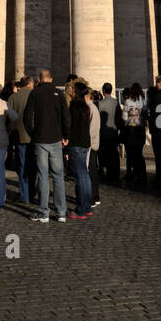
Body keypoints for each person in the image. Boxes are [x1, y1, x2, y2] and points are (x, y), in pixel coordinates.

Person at [24, 68, 70, 223]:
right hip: (56, 139)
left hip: (40, 139)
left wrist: (33, 133)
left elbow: (27, 117)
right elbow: (66, 117)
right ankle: (61, 212)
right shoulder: (59, 94)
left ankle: (44, 212)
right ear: (51, 79)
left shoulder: (35, 93)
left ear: (40, 79)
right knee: (58, 176)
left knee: (43, 176)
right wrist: (66, 136)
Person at [67, 82, 95, 219]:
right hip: (85, 143)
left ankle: (81, 209)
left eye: (72, 88)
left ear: (76, 91)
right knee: (85, 175)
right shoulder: (86, 107)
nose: (70, 90)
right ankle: (87, 206)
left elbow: (70, 126)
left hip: (76, 143)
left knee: (79, 177)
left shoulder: (74, 106)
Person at [7, 75, 37, 203]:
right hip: (34, 136)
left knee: (22, 166)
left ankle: (24, 195)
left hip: (19, 136)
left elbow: (9, 117)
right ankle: (32, 193)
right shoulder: (36, 95)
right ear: (30, 83)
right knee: (33, 166)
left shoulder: (13, 97)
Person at [120, 84, 147, 185]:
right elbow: (145, 115)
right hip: (140, 129)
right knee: (139, 153)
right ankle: (142, 174)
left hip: (131, 130)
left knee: (132, 153)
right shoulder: (143, 101)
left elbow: (124, 117)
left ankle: (134, 173)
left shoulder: (128, 101)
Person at [97, 83, 122, 186]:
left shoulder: (100, 103)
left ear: (103, 91)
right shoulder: (116, 102)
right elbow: (119, 117)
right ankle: (115, 172)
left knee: (105, 153)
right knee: (114, 153)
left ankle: (108, 172)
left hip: (103, 132)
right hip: (113, 131)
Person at [86, 86, 101, 207]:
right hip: (92, 143)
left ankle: (93, 196)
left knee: (91, 171)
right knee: (92, 170)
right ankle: (94, 196)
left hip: (91, 144)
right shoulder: (92, 107)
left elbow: (93, 129)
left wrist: (87, 142)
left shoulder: (91, 108)